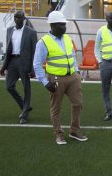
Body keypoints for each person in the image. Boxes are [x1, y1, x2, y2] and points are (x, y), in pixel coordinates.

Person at [33, 11, 87, 145]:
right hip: (56, 79)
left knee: (78, 103)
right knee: (56, 107)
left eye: (64, 24)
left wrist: (78, 72)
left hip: (73, 77)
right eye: (62, 25)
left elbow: (72, 56)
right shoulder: (43, 42)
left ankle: (74, 131)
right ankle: (58, 133)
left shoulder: (67, 38)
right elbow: (37, 64)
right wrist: (45, 82)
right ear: (53, 25)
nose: (65, 27)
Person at [0, 11, 37, 124]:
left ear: (24, 19)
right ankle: (24, 105)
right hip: (12, 62)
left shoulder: (31, 32)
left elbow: (34, 52)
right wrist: (4, 66)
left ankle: (24, 115)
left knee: (26, 89)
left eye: (19, 18)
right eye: (15, 18)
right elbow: (8, 49)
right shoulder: (9, 30)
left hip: (24, 62)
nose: (17, 20)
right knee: (9, 86)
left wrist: (33, 69)